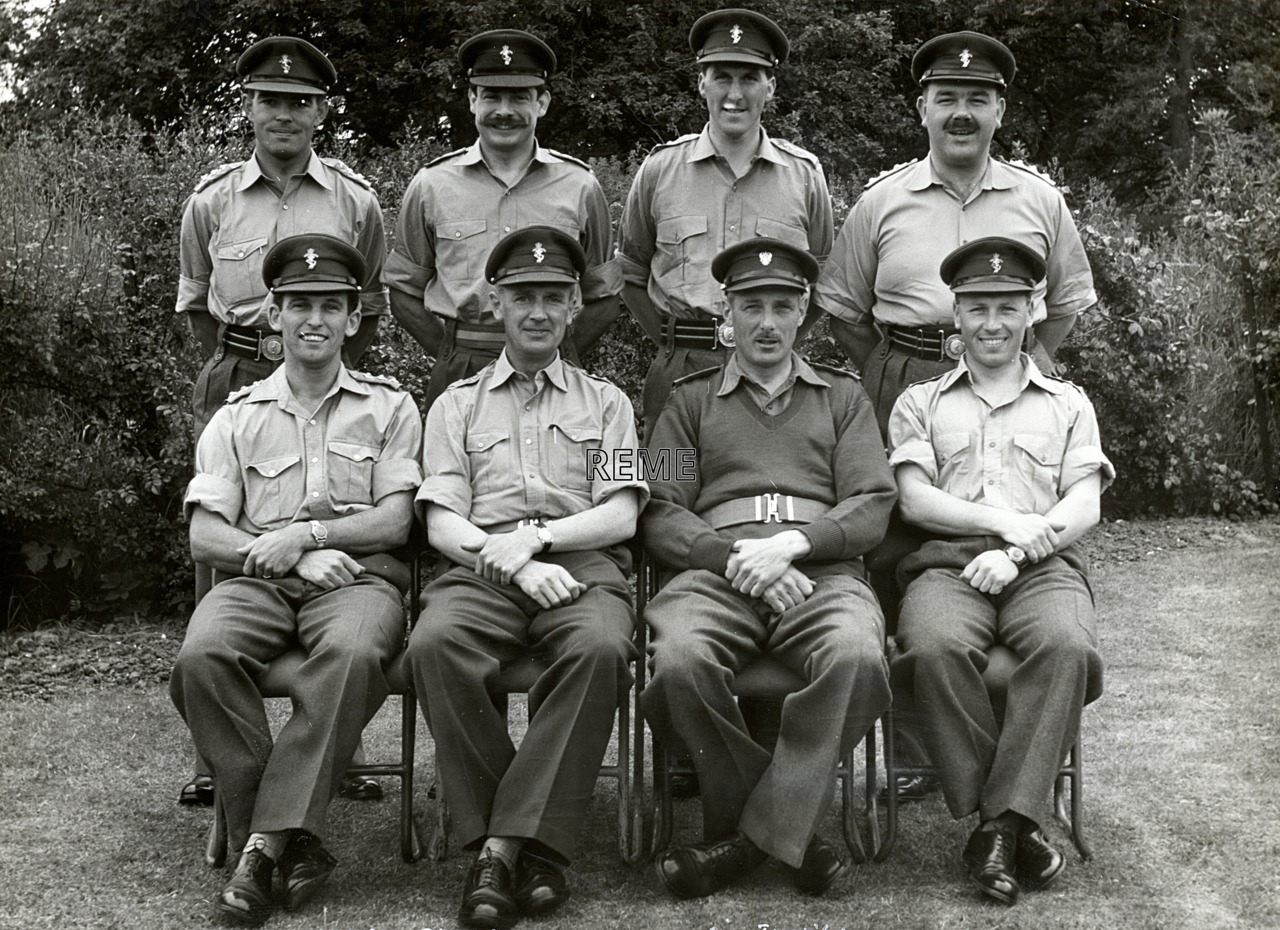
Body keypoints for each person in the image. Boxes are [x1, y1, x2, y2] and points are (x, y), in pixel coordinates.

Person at [812, 29, 1098, 803]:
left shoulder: (1041, 200)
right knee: (901, 554)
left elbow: (1067, 303)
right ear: (922, 108)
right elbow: (841, 305)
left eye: (977, 98)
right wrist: (896, 365)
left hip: (1010, 370)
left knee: (1006, 565)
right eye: (948, 99)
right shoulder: (884, 199)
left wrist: (1017, 354)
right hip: (903, 380)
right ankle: (915, 751)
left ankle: (997, 748)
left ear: (1000, 108)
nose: (962, 112)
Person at [169, 234, 422, 926]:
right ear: (274, 317)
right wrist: (282, 552)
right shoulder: (236, 417)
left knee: (351, 654)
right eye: (299, 305)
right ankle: (289, 837)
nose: (315, 319)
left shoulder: (391, 407)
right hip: (259, 581)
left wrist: (311, 536)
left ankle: (259, 847)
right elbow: (206, 534)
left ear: (352, 319)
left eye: (331, 306)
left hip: (357, 581)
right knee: (201, 657)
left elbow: (397, 521)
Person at [406, 227, 647, 929]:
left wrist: (536, 542)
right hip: (481, 568)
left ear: (575, 306)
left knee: (601, 647)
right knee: (434, 645)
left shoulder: (608, 404)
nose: (537, 312)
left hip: (578, 564)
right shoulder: (456, 404)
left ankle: (497, 850)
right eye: (522, 298)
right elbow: (440, 522)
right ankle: (529, 849)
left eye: (552, 298)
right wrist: (502, 552)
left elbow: (622, 514)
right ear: (494, 305)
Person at [641, 238, 896, 899]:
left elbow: (872, 503)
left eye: (783, 307)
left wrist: (797, 544)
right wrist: (731, 556)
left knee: (860, 657)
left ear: (805, 315)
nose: (766, 323)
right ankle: (786, 831)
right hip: (715, 569)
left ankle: (746, 840)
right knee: (681, 662)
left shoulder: (841, 398)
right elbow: (662, 508)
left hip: (819, 571)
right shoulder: (690, 401)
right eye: (751, 307)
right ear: (726, 316)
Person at [175, 35, 389, 805]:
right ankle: (216, 760)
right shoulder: (213, 199)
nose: (284, 115)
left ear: (321, 113)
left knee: (343, 539)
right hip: (239, 372)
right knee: (221, 557)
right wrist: (248, 366)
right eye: (271, 100)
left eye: (299, 103)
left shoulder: (354, 200)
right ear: (250, 108)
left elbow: (366, 305)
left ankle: (345, 748)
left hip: (329, 366)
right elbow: (195, 302)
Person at [887, 237, 1112, 905]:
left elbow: (1085, 502)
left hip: (1043, 566)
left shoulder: (1068, 403)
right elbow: (914, 498)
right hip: (948, 566)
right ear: (955, 315)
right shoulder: (920, 402)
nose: (992, 323)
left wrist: (1018, 547)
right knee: (932, 645)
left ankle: (997, 826)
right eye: (978, 308)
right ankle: (1016, 819)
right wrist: (999, 526)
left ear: (1032, 311)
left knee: (1068, 646)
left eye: (1007, 307)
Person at [618, 8, 834, 440]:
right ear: (701, 83)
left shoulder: (804, 176)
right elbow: (630, 272)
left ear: (769, 87)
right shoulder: (661, 170)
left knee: (763, 493)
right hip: (679, 372)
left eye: (750, 78)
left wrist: (785, 339)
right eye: (722, 77)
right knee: (666, 485)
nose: (735, 93)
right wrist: (672, 341)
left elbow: (824, 278)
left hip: (772, 376)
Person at [384, 29, 621, 412]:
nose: (504, 111)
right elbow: (402, 289)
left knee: (570, 467)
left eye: (520, 97)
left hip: (554, 367)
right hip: (464, 364)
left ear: (542, 102)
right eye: (492, 95)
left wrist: (562, 346)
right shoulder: (432, 184)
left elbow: (604, 293)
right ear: (472, 99)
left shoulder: (580, 186)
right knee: (454, 470)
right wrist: (451, 352)